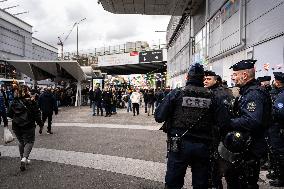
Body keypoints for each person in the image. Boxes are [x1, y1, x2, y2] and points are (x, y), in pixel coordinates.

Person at [155, 63, 228, 189]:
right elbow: (224, 122)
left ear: (187, 77)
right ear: (202, 79)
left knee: (173, 183)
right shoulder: (213, 97)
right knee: (201, 184)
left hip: (179, 144)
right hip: (204, 146)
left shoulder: (176, 94)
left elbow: (159, 116)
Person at [221, 59, 271, 189]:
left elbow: (252, 120)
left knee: (244, 182)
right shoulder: (247, 92)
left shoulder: (253, 94)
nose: (233, 78)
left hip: (250, 147)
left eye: (235, 74)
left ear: (244, 75)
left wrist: (228, 122)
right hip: (245, 146)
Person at [204, 70, 234, 189]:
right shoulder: (211, 92)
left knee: (220, 166)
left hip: (219, 135)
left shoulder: (221, 94)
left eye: (209, 79)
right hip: (214, 134)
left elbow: (224, 119)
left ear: (216, 80)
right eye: (204, 79)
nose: (205, 81)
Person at [7, 84, 43, 171]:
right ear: (27, 92)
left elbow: (10, 115)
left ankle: (22, 158)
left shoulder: (13, 102)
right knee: (30, 141)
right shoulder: (31, 102)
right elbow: (37, 115)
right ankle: (24, 158)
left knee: (21, 141)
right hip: (28, 125)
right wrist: (40, 124)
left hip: (16, 126)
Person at [267, 72, 284, 187]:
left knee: (280, 153)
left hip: (278, 128)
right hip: (276, 128)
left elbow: (280, 112)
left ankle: (281, 178)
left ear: (278, 82)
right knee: (275, 152)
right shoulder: (280, 94)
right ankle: (277, 174)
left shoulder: (282, 96)